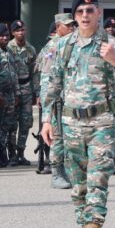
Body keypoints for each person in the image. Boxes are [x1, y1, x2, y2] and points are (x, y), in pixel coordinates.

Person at [41, 0, 115, 228]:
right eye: (80, 12)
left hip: (102, 122)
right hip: (70, 122)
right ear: (74, 16)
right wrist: (46, 120)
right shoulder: (63, 46)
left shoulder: (112, 45)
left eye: (90, 10)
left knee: (97, 180)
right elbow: (52, 85)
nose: (85, 15)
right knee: (78, 185)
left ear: (99, 14)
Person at [37, 14, 76, 187]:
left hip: (71, 100)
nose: (71, 28)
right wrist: (48, 105)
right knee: (58, 137)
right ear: (58, 26)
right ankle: (56, 173)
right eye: (68, 26)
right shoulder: (52, 48)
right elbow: (46, 79)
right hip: (57, 101)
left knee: (70, 137)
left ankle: (68, 171)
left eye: (72, 25)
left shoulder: (70, 45)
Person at [7, 20, 37, 166]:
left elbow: (34, 72)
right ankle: (11, 155)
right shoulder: (8, 48)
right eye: (17, 30)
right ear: (13, 33)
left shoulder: (30, 49)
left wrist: (35, 92)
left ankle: (21, 153)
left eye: (23, 30)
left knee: (26, 123)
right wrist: (15, 92)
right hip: (13, 91)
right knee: (12, 124)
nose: (21, 33)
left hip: (27, 89)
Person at [0, 22, 18, 169]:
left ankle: (2, 153)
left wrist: (16, 93)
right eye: (1, 36)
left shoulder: (10, 51)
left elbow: (14, 73)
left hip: (10, 95)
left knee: (6, 125)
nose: (5, 38)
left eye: (7, 35)